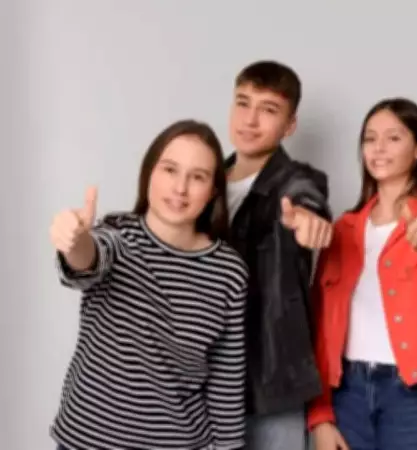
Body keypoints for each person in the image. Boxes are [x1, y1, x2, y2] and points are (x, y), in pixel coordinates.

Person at [49, 120, 249, 450]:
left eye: (197, 177)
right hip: (86, 441)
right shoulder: (117, 236)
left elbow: (225, 381)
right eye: (170, 170)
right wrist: (74, 242)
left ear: (213, 190)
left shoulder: (229, 272)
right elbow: (88, 259)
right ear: (150, 173)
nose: (180, 188)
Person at [308, 98, 417, 450]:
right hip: (346, 395)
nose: (378, 148)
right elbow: (321, 326)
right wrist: (320, 415)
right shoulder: (342, 230)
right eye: (370, 138)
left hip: (411, 397)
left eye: (393, 138)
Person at [223, 60, 334, 450]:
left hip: (273, 387)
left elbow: (308, 199)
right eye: (243, 103)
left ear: (290, 125)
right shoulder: (202, 183)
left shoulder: (298, 181)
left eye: (268, 109)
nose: (250, 119)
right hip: (207, 384)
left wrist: (308, 219)